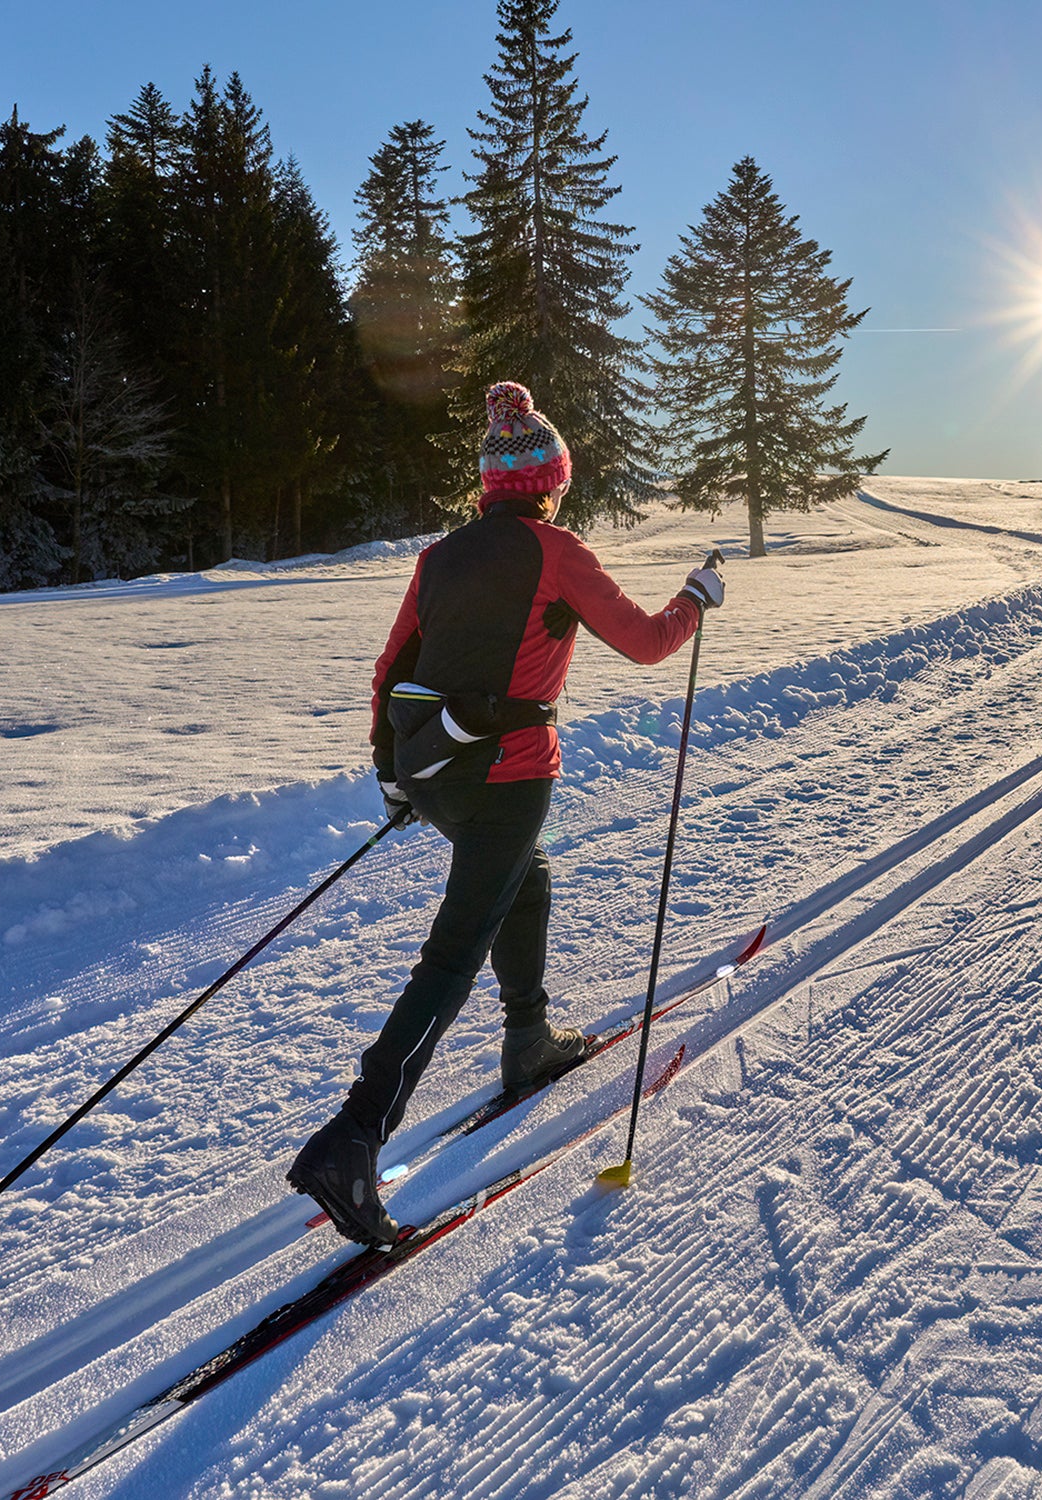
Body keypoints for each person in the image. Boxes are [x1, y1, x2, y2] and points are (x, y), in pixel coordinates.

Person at [288, 380, 725, 1246]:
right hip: (509, 775)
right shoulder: (557, 551)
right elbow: (644, 643)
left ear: (490, 487)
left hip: (438, 767)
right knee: (455, 948)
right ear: (552, 483)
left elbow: (389, 671)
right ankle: (354, 1138)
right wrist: (696, 601)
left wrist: (394, 776)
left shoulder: (439, 556)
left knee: (527, 878)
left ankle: (527, 1038)